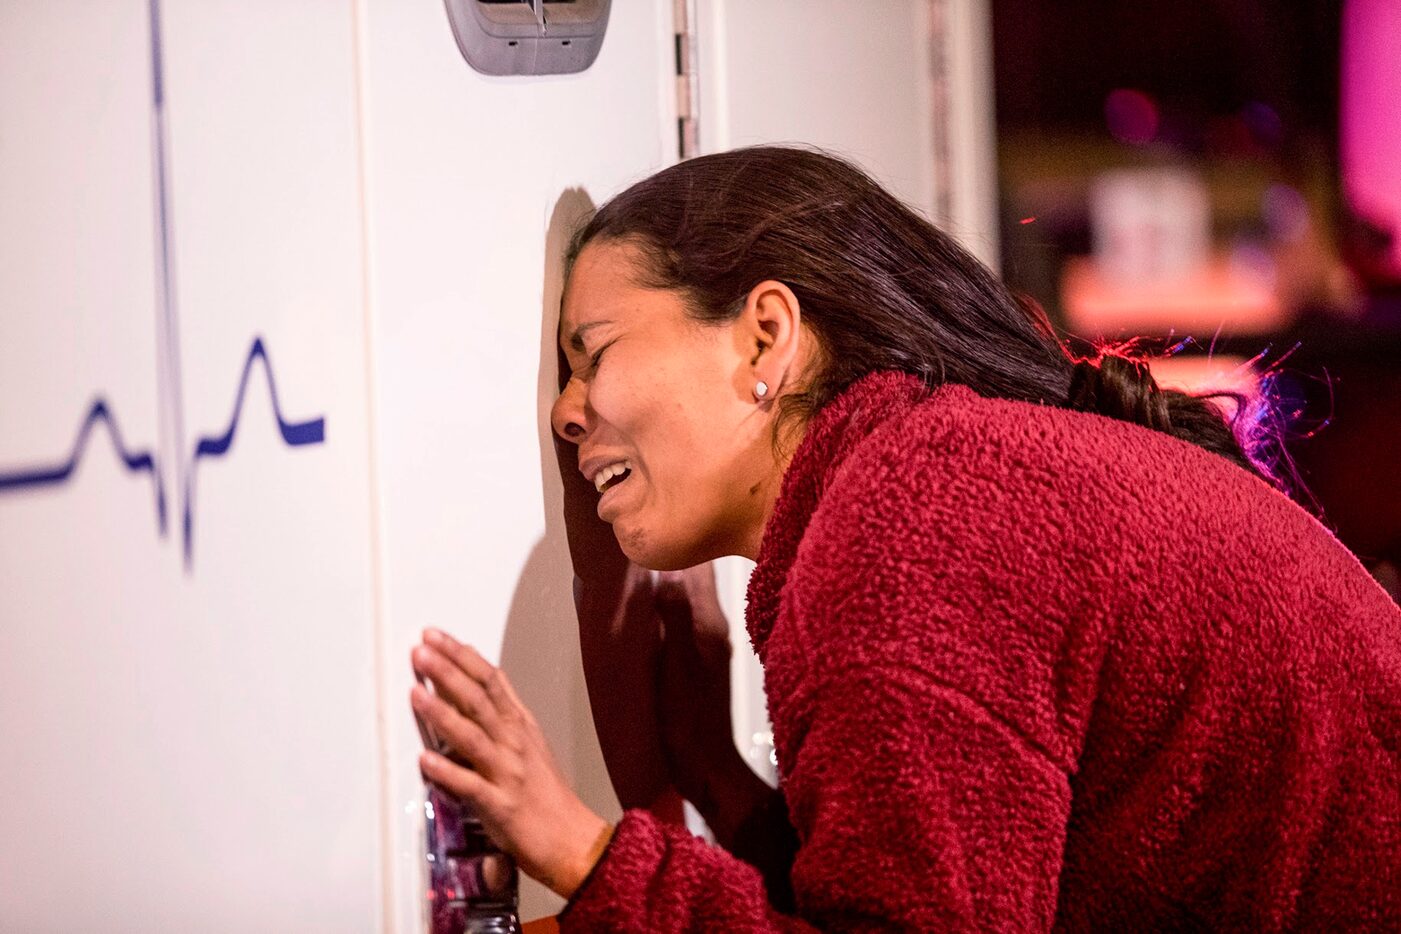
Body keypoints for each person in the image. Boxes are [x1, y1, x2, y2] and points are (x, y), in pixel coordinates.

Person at [407, 146, 1401, 930]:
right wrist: (713, 772)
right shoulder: (934, 472)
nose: (567, 412)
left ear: (764, 335)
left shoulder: (910, 517)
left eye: (596, 354)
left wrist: (580, 855)